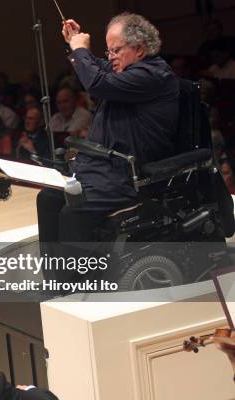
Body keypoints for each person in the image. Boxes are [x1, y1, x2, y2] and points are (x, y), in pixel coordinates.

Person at [36, 13, 179, 280]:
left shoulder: (153, 75)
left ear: (139, 49)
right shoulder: (127, 70)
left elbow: (98, 82)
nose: (110, 56)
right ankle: (53, 280)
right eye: (108, 50)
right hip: (100, 170)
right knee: (48, 198)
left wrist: (80, 50)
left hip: (126, 175)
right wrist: (75, 47)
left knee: (73, 212)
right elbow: (99, 69)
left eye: (116, 50)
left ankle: (77, 288)